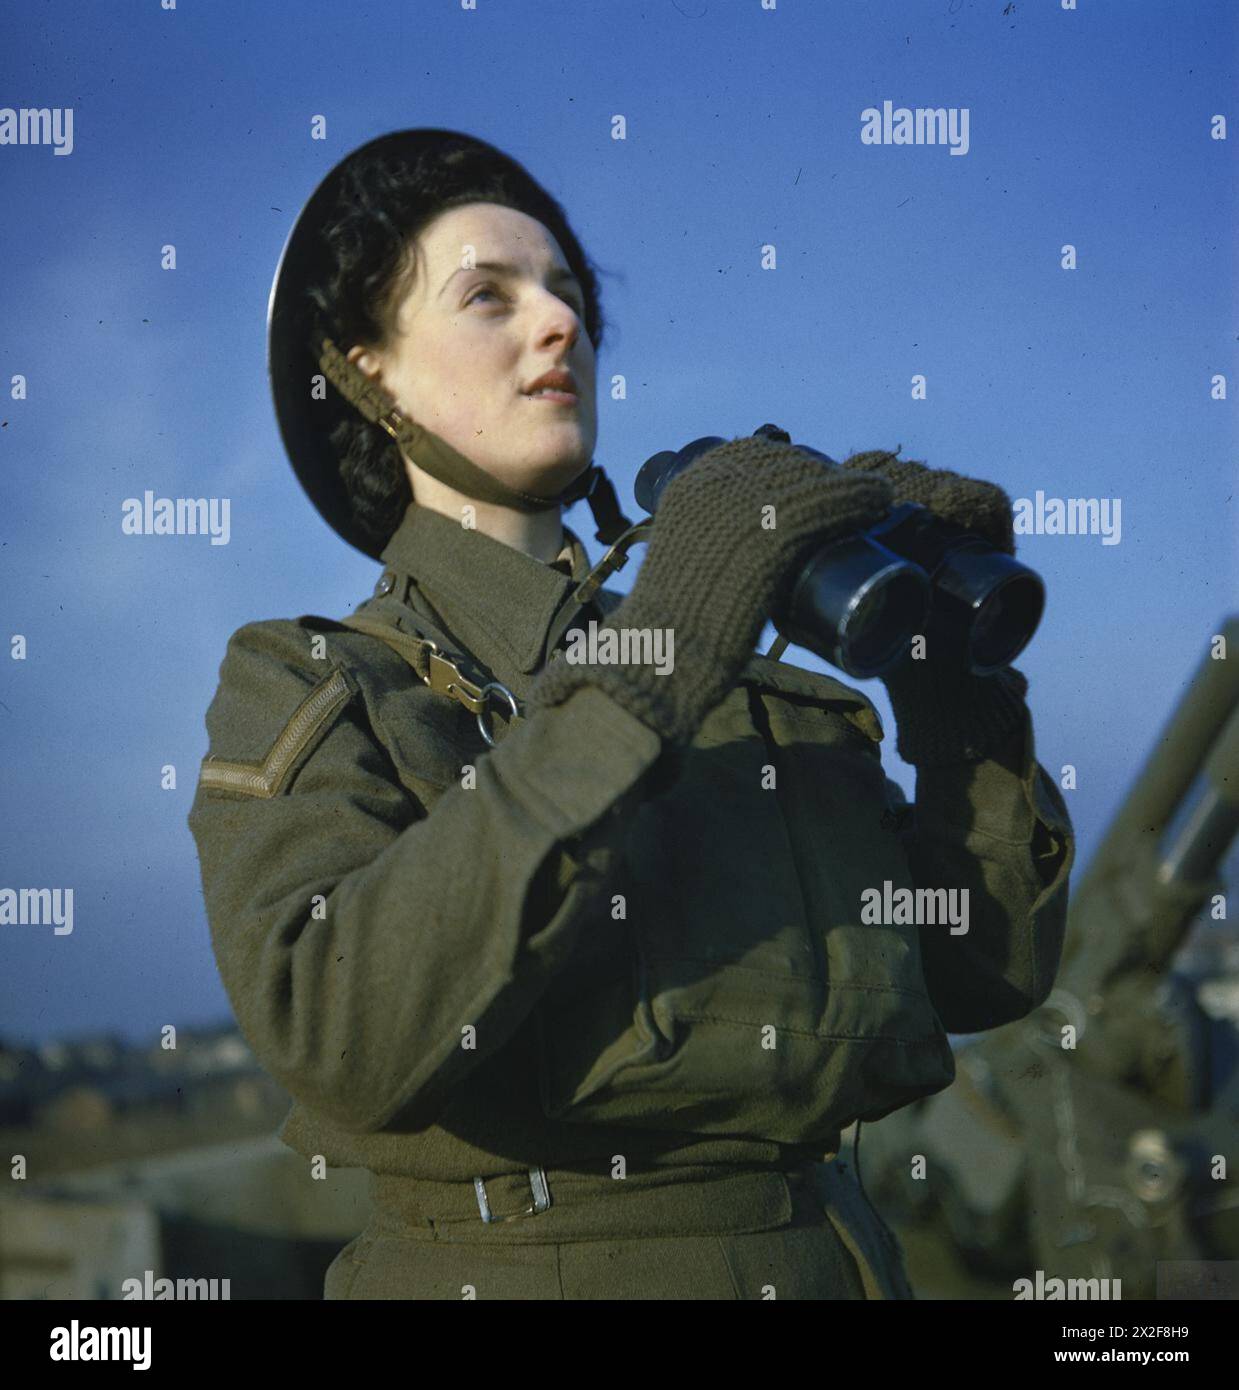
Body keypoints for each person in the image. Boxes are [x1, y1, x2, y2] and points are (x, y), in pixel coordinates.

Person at [188, 128, 1076, 1300]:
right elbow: (343, 1033)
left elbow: (983, 970)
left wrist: (955, 693)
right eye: (487, 298)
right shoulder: (321, 680)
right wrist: (666, 648)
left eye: (564, 293)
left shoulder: (750, 687)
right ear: (371, 373)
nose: (559, 324)